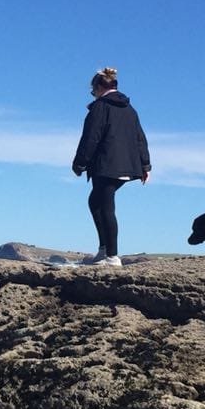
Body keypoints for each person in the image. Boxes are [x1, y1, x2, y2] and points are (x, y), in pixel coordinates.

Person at [71, 66, 150, 267]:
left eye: (93, 91)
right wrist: (145, 165)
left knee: (105, 205)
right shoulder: (130, 110)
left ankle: (112, 256)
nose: (93, 95)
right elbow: (140, 138)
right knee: (96, 201)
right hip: (127, 165)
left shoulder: (100, 107)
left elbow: (91, 137)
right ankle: (104, 250)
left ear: (99, 87)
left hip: (106, 164)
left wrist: (80, 162)